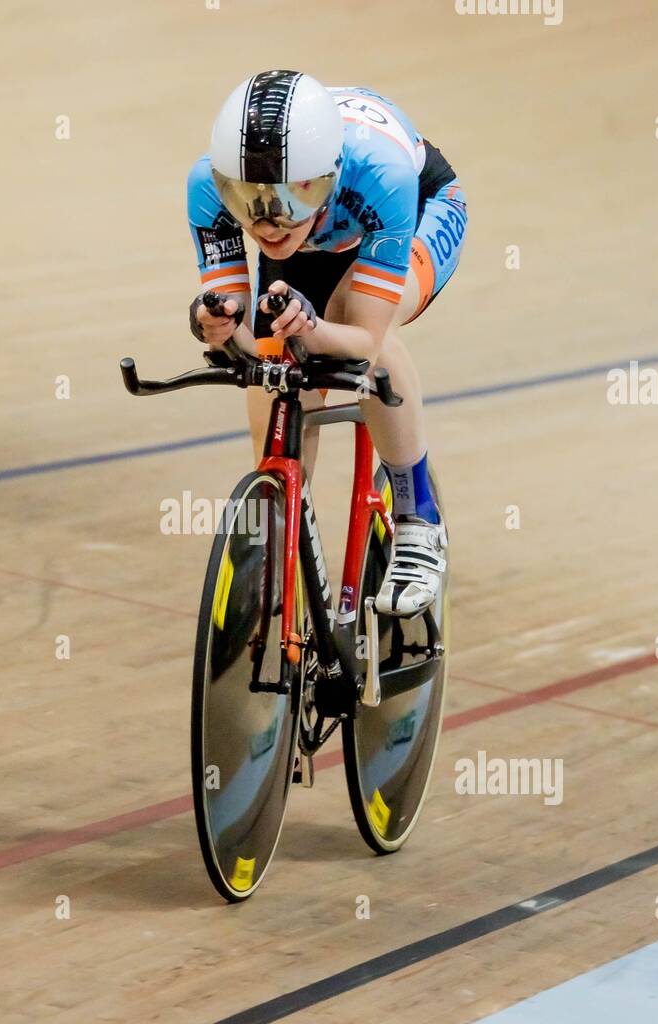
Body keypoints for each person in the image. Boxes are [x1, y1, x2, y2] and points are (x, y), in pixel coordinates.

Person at [186, 70, 467, 617]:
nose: (267, 221)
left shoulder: (380, 174)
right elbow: (237, 330)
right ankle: (285, 520)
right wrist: (218, 327)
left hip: (411, 213)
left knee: (356, 334)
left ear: (327, 175)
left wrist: (314, 330)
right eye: (249, 200)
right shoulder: (210, 185)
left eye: (290, 195)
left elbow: (361, 338)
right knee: (274, 359)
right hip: (317, 235)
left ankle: (417, 519)